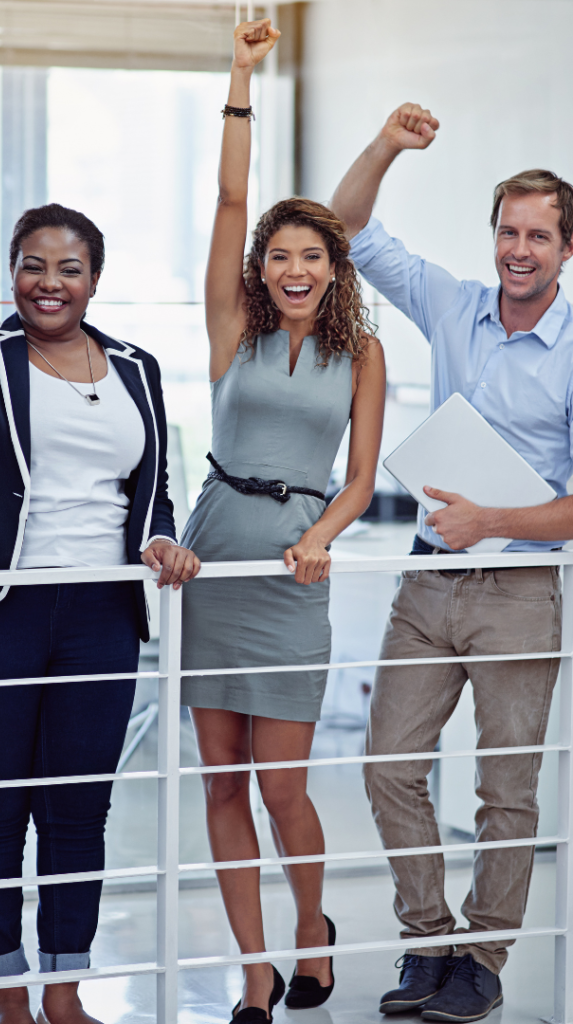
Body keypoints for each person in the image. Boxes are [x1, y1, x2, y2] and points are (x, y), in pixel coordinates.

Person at [0, 161, 200, 1024]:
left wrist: (160, 537)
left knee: (78, 809)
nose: (49, 283)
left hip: (100, 612)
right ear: (12, 272)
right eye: (33, 264)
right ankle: (5, 991)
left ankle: (64, 989)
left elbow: (153, 484)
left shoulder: (137, 367)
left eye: (69, 268)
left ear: (94, 280)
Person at [329, 103, 573, 1023]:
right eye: (509, 231)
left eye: (539, 235)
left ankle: (485, 958)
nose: (519, 249)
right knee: (389, 764)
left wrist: (496, 519)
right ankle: (428, 941)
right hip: (428, 581)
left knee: (505, 791)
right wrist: (388, 143)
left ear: (566, 249)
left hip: (521, 590)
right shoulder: (454, 304)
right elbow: (348, 227)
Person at [178, 21, 387, 1024]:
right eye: (279, 255)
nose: (293, 269)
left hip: (295, 578)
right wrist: (239, 79)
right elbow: (227, 196)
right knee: (220, 783)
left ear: (332, 266)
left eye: (312, 256)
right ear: (260, 264)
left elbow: (358, 477)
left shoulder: (363, 355)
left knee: (282, 787)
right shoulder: (231, 330)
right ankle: (254, 970)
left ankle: (313, 929)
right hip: (213, 559)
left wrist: (323, 537)